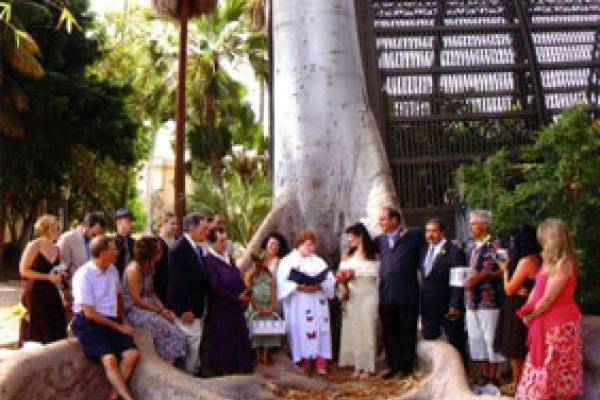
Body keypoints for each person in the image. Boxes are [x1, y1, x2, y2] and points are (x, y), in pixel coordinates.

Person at [515, 218, 583, 400]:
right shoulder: (548, 262)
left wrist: (531, 315)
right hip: (547, 323)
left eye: (543, 238)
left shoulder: (565, 264)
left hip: (560, 325)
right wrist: (527, 310)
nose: (540, 242)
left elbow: (548, 299)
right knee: (546, 366)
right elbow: (537, 290)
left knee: (556, 369)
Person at [71, 236, 139, 400]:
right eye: (113, 249)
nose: (117, 252)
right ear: (102, 253)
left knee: (132, 354)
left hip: (111, 320)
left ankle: (113, 396)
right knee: (109, 359)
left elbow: (118, 298)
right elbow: (89, 313)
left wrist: (122, 320)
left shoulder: (112, 269)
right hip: (89, 321)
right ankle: (128, 398)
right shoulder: (84, 275)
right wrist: (119, 328)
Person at [277, 230, 335, 375]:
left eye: (313, 245)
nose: (312, 249)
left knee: (321, 328)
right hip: (300, 301)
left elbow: (329, 278)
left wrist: (321, 285)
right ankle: (304, 359)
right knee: (302, 329)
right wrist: (299, 286)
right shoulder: (288, 261)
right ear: (300, 244)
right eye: (309, 245)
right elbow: (282, 282)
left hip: (317, 299)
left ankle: (321, 360)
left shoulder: (318, 261)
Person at [122, 236, 187, 363]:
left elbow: (151, 292)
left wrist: (163, 309)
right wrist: (159, 311)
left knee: (175, 323)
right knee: (165, 328)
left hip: (149, 303)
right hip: (135, 309)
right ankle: (165, 363)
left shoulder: (151, 267)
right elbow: (136, 300)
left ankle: (170, 363)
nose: (162, 252)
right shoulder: (133, 269)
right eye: (159, 250)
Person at [376, 206, 424, 379]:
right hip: (387, 294)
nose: (380, 223)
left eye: (383, 219)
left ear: (394, 220)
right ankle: (393, 365)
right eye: (380, 220)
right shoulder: (379, 241)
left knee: (407, 330)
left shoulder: (411, 237)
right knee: (389, 331)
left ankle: (407, 366)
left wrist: (406, 232)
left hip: (407, 293)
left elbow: (422, 233)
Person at [493, 225, 541, 396]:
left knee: (516, 348)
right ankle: (519, 383)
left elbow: (510, 288)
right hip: (522, 302)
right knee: (520, 348)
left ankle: (519, 386)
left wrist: (505, 270)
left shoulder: (526, 261)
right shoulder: (537, 258)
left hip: (518, 305)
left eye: (514, 241)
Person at [204, 227, 253, 375]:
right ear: (212, 243)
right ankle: (224, 370)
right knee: (224, 340)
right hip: (221, 308)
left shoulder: (228, 258)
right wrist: (235, 296)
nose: (225, 244)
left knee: (239, 337)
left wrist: (244, 290)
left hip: (236, 307)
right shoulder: (209, 261)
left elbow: (237, 277)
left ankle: (242, 367)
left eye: (226, 240)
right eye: (221, 241)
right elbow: (215, 286)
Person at [464, 210, 505, 387]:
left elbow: (505, 269)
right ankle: (483, 374)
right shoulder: (471, 247)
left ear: (485, 226)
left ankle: (494, 376)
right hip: (471, 301)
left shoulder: (496, 245)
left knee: (491, 339)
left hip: (489, 301)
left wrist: (484, 276)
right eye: (471, 223)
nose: (470, 227)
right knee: (475, 339)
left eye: (473, 223)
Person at [419, 218, 468, 365]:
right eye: (428, 231)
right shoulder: (424, 250)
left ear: (442, 232)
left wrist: (455, 304)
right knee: (431, 340)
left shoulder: (454, 251)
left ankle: (462, 372)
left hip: (447, 305)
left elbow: (458, 281)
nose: (430, 234)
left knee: (455, 341)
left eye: (434, 231)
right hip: (428, 305)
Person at [166, 212, 209, 374]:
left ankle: (192, 372)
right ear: (192, 228)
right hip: (186, 309)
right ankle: (189, 376)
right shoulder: (179, 249)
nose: (206, 232)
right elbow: (178, 283)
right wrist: (185, 309)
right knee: (190, 344)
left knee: (194, 343)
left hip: (197, 306)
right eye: (203, 229)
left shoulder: (195, 247)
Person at [338, 222, 380, 378]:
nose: (349, 240)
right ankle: (357, 365)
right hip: (353, 295)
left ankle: (368, 366)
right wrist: (343, 290)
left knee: (368, 328)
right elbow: (340, 278)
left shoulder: (373, 255)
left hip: (369, 294)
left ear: (360, 236)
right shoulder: (348, 255)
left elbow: (379, 278)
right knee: (354, 329)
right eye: (348, 237)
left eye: (351, 237)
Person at [19, 214, 67, 345]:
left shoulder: (57, 249)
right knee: (37, 327)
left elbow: (55, 270)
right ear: (49, 228)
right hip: (34, 291)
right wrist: (47, 277)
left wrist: (61, 275)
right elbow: (23, 270)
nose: (59, 231)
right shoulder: (34, 245)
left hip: (51, 291)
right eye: (57, 228)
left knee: (56, 324)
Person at [57, 211, 107, 320]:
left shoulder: (101, 241)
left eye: (100, 234)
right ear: (85, 226)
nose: (97, 238)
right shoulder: (67, 239)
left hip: (94, 293)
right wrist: (65, 294)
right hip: (73, 292)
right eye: (94, 234)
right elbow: (60, 268)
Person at [245, 255, 280, 365]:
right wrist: (257, 307)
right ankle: (257, 355)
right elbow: (249, 294)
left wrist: (271, 308)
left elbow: (273, 294)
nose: (267, 263)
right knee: (256, 330)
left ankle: (265, 355)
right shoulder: (250, 276)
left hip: (267, 307)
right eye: (266, 261)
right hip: (255, 307)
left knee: (267, 331)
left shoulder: (270, 277)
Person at [153, 212, 178, 303]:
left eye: (176, 224)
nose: (176, 226)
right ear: (163, 224)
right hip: (161, 287)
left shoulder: (179, 241)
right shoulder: (155, 242)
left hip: (176, 287)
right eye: (172, 223)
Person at [115, 208, 136, 278]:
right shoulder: (112, 243)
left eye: (133, 221)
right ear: (119, 223)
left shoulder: (134, 242)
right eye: (129, 221)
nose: (133, 224)